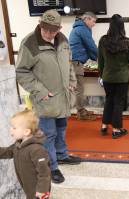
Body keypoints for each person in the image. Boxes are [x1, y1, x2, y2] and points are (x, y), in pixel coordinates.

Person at [16, 9, 81, 184]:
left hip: (63, 98)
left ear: (59, 29)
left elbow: (68, 65)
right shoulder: (29, 43)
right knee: (48, 135)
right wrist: (41, 91)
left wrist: (72, 83)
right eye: (45, 29)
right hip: (45, 99)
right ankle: (51, 167)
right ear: (40, 25)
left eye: (52, 30)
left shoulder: (63, 40)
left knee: (61, 128)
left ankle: (62, 155)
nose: (48, 33)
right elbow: (22, 72)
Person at [98, 14, 129, 139]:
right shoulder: (127, 41)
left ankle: (104, 126)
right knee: (118, 103)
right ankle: (116, 129)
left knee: (109, 101)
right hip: (122, 78)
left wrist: (101, 75)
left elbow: (101, 61)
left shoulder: (103, 40)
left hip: (107, 77)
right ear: (122, 26)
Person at [0, 110, 51, 199]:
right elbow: (7, 152)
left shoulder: (37, 150)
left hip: (38, 190)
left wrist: (42, 190)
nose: (10, 129)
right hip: (28, 186)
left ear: (26, 132)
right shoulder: (18, 145)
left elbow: (44, 172)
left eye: (14, 128)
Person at [69, 12, 98, 120]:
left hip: (76, 61)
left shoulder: (80, 28)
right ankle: (81, 113)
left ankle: (81, 109)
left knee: (79, 88)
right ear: (87, 19)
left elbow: (88, 47)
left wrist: (95, 57)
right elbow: (91, 46)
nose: (94, 24)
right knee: (79, 88)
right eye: (93, 21)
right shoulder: (82, 29)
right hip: (76, 62)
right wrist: (101, 58)